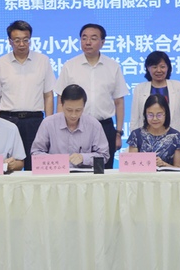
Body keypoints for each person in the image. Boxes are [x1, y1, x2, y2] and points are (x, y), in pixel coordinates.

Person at [55, 23, 128, 169]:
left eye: (93, 38)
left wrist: (118, 133)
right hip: (75, 127)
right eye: (84, 38)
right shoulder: (70, 66)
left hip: (104, 127)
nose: (88, 42)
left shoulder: (112, 66)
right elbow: (60, 101)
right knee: (75, 168)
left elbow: (119, 102)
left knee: (102, 171)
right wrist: (60, 130)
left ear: (103, 42)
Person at [0, 20, 55, 170]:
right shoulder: (1, 63)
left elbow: (48, 95)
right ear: (10, 41)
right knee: (9, 164)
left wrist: (49, 124)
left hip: (35, 121)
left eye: (26, 40)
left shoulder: (42, 61)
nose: (22, 44)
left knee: (36, 166)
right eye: (17, 40)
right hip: (8, 120)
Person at [130, 51, 180, 159]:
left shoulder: (177, 86)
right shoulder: (139, 88)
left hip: (172, 142)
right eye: (154, 67)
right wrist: (133, 143)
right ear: (148, 68)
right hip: (145, 143)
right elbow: (135, 118)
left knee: (173, 168)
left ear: (168, 68)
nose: (159, 70)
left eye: (162, 67)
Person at [31, 84, 109, 168]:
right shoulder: (48, 123)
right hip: (56, 174)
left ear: (84, 106)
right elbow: (36, 153)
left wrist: (83, 158)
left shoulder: (94, 125)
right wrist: (58, 160)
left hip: (84, 174)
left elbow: (104, 156)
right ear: (62, 104)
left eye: (78, 110)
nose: (73, 115)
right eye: (69, 110)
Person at [127, 94, 180, 168]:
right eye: (150, 115)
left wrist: (164, 164)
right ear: (145, 114)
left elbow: (178, 168)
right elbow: (132, 166)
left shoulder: (176, 136)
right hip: (142, 175)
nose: (155, 119)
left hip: (167, 175)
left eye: (159, 115)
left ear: (166, 114)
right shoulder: (136, 135)